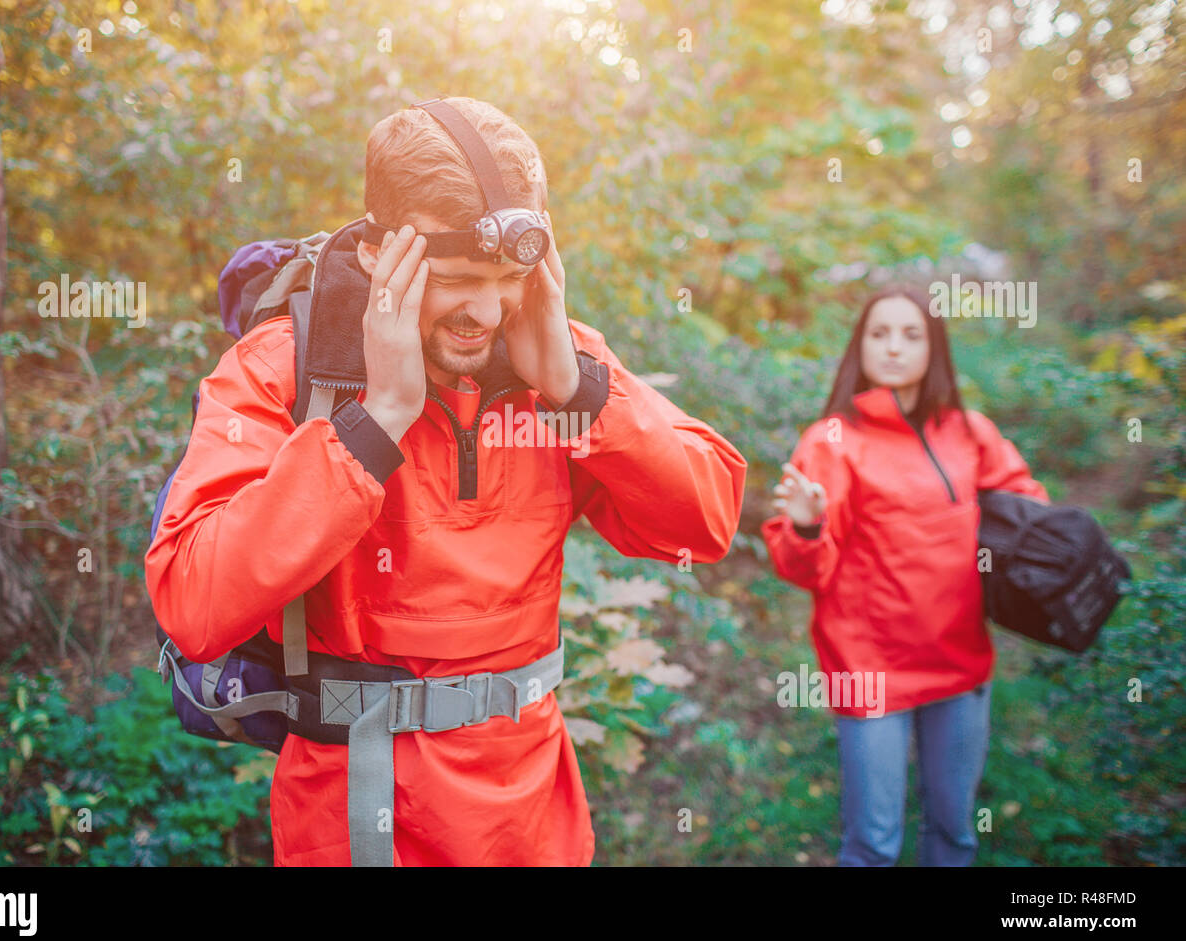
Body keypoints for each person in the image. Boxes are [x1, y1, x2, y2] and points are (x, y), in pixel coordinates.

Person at [145, 96, 747, 866]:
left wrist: (580, 392)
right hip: (359, 819)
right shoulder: (286, 369)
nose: (487, 310)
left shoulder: (553, 360)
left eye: (508, 279)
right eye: (458, 278)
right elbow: (193, 601)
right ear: (376, 254)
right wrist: (374, 422)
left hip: (535, 820)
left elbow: (708, 521)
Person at [760, 284, 1048, 866]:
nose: (894, 347)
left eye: (911, 334)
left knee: (955, 834)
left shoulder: (970, 432)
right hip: (869, 670)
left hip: (961, 662)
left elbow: (1029, 512)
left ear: (934, 348)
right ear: (860, 346)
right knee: (873, 844)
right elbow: (800, 568)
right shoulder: (831, 442)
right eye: (879, 333)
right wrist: (809, 527)